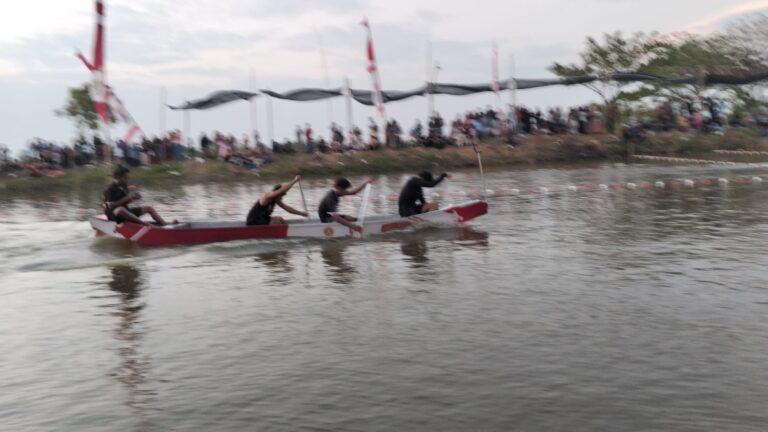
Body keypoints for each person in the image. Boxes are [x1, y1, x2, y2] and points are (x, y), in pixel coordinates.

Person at [103, 166, 175, 225]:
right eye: (125, 178)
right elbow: (110, 206)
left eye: (127, 178)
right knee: (120, 209)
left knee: (149, 208)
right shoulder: (110, 189)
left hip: (126, 212)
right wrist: (127, 197)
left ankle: (164, 223)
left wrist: (133, 198)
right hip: (114, 215)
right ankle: (144, 224)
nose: (127, 180)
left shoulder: (124, 187)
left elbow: (124, 202)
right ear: (118, 177)